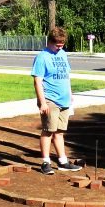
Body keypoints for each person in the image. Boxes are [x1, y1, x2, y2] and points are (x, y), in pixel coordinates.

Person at [31, 27, 82, 175]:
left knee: (59, 132)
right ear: (50, 41)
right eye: (58, 44)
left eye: (62, 44)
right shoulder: (42, 57)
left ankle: (62, 161)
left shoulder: (63, 54)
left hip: (64, 99)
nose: (60, 47)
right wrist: (42, 102)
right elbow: (37, 81)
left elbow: (67, 76)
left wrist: (70, 93)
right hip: (50, 99)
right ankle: (46, 162)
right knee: (48, 131)